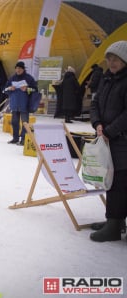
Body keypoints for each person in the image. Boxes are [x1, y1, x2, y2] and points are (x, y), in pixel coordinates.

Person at [89, 40, 127, 242]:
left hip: (122, 141)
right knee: (111, 181)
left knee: (119, 183)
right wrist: (97, 124)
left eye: (117, 59)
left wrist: (110, 131)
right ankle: (115, 221)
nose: (112, 62)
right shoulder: (106, 79)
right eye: (109, 58)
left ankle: (114, 224)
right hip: (108, 139)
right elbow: (94, 104)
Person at [4, 61, 37, 146]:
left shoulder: (29, 78)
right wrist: (10, 88)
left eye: (20, 68)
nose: (18, 70)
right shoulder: (12, 78)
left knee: (25, 122)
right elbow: (4, 90)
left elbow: (35, 90)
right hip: (14, 104)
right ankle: (15, 138)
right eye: (17, 68)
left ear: (23, 69)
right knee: (14, 122)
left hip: (25, 104)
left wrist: (27, 89)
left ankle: (24, 139)